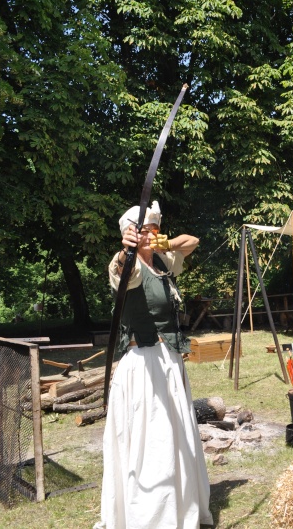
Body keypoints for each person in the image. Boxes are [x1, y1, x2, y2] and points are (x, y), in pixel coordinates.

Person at [98, 201, 213, 529]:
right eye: (145, 230)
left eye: (154, 229)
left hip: (169, 362)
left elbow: (192, 241)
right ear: (130, 234)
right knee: (152, 440)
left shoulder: (164, 260)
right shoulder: (127, 267)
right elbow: (121, 269)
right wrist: (127, 250)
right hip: (142, 366)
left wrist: (163, 242)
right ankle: (148, 515)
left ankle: (181, 505)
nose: (151, 234)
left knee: (175, 435)